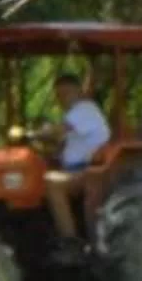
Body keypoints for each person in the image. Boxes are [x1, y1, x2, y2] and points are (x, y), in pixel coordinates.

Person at [38, 70, 109, 245]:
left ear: (78, 91)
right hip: (75, 169)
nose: (62, 99)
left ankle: (70, 241)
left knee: (51, 183)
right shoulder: (74, 115)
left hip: (88, 171)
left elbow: (57, 131)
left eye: (65, 93)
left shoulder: (84, 109)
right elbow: (63, 143)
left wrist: (35, 133)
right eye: (59, 95)